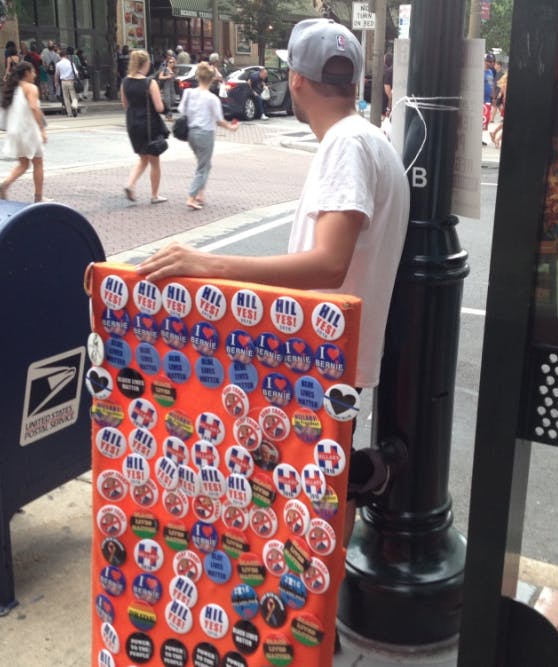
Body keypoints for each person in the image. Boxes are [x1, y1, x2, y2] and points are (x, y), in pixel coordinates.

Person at [138, 17, 410, 549]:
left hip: (322, 356)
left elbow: (328, 263)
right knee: (326, 491)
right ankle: (355, 497)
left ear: (299, 83)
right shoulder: (368, 139)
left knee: (310, 495)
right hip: (335, 355)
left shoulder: (345, 146)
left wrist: (209, 264)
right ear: (353, 82)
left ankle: (318, 613)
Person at [178, 62, 238, 210]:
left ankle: (200, 194)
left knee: (205, 164)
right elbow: (219, 120)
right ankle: (192, 197)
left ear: (198, 77)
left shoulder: (188, 93)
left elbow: (182, 111)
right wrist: (231, 127)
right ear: (211, 80)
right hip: (206, 133)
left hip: (191, 132)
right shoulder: (212, 98)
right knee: (202, 166)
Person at [121, 49, 169, 204]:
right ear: (145, 63)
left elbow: (125, 105)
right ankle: (155, 195)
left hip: (133, 123)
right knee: (154, 160)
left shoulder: (125, 82)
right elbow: (159, 107)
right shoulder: (150, 82)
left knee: (143, 158)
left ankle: (130, 184)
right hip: (149, 125)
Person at [0, 62, 47, 203]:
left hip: (15, 131)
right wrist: (42, 129)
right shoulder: (31, 88)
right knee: (38, 162)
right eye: (33, 72)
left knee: (24, 164)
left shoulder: (13, 89)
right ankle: (38, 197)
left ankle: (5, 184)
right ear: (27, 73)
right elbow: (34, 108)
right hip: (28, 130)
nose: (35, 75)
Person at [55, 47, 80, 117]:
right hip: (71, 81)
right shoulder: (71, 63)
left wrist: (56, 82)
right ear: (66, 55)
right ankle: (74, 105)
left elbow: (57, 74)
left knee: (66, 97)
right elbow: (76, 73)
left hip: (63, 82)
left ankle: (69, 113)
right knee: (73, 96)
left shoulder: (58, 64)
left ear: (60, 56)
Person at [156, 54, 176, 119]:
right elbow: (160, 77)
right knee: (168, 100)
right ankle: (169, 115)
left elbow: (174, 79)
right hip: (166, 87)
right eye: (170, 62)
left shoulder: (174, 70)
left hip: (172, 87)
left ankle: (167, 113)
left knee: (173, 99)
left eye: (173, 62)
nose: (171, 63)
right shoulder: (164, 69)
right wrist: (167, 76)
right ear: (167, 63)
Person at [482, 52, 495, 129]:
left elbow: (491, 84)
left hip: (488, 99)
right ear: (485, 61)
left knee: (486, 121)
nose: (491, 63)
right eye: (490, 61)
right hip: (481, 99)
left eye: (492, 61)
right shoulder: (480, 72)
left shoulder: (490, 72)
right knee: (483, 121)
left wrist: (493, 97)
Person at [383, 51, 393, 118]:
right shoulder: (395, 69)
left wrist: (388, 108)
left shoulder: (388, 71)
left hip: (387, 103)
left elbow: (388, 92)